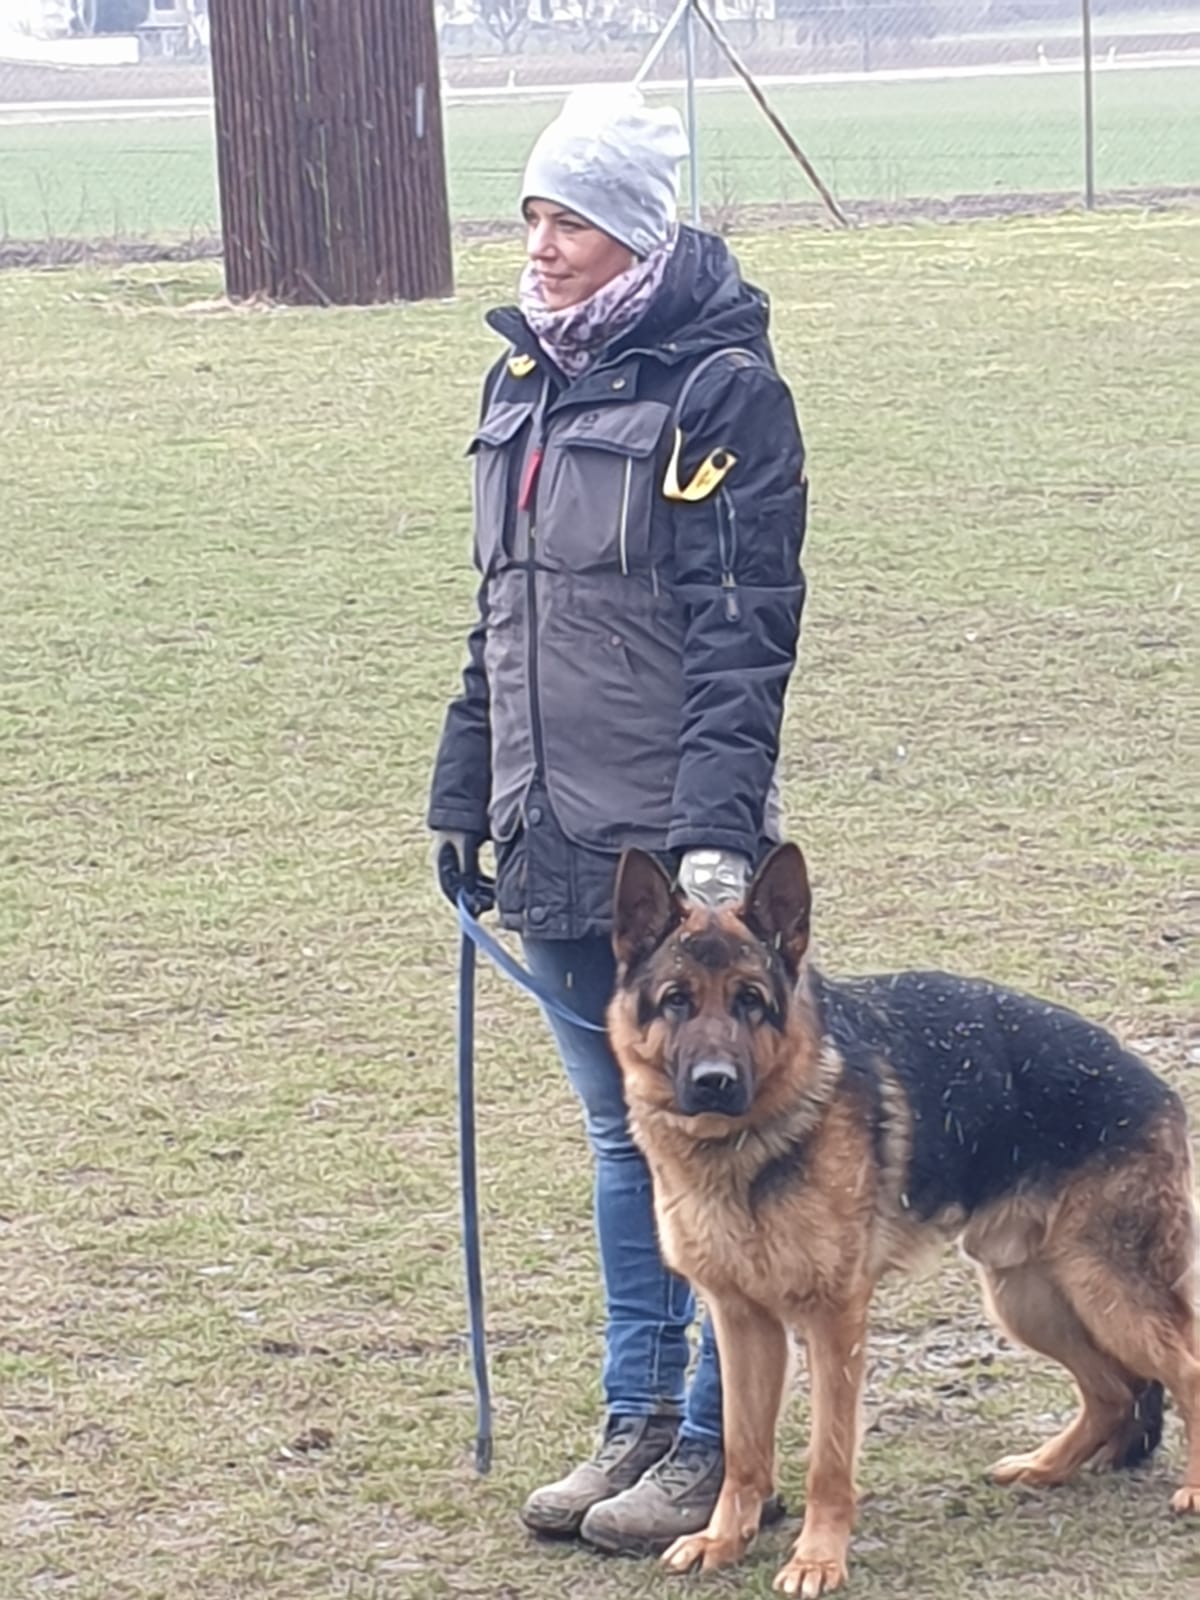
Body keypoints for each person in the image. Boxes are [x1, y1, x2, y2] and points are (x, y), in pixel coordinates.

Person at [428, 86, 807, 1557]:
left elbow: (742, 632)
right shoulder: (521, 380)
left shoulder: (720, 391)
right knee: (619, 1136)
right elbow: (501, 615)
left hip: (665, 852)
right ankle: (636, 1420)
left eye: (573, 220)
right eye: (532, 214)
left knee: (719, 1144)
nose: (542, 245)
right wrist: (464, 791)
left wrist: (714, 844)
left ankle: (718, 1446)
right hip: (546, 828)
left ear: (637, 233)